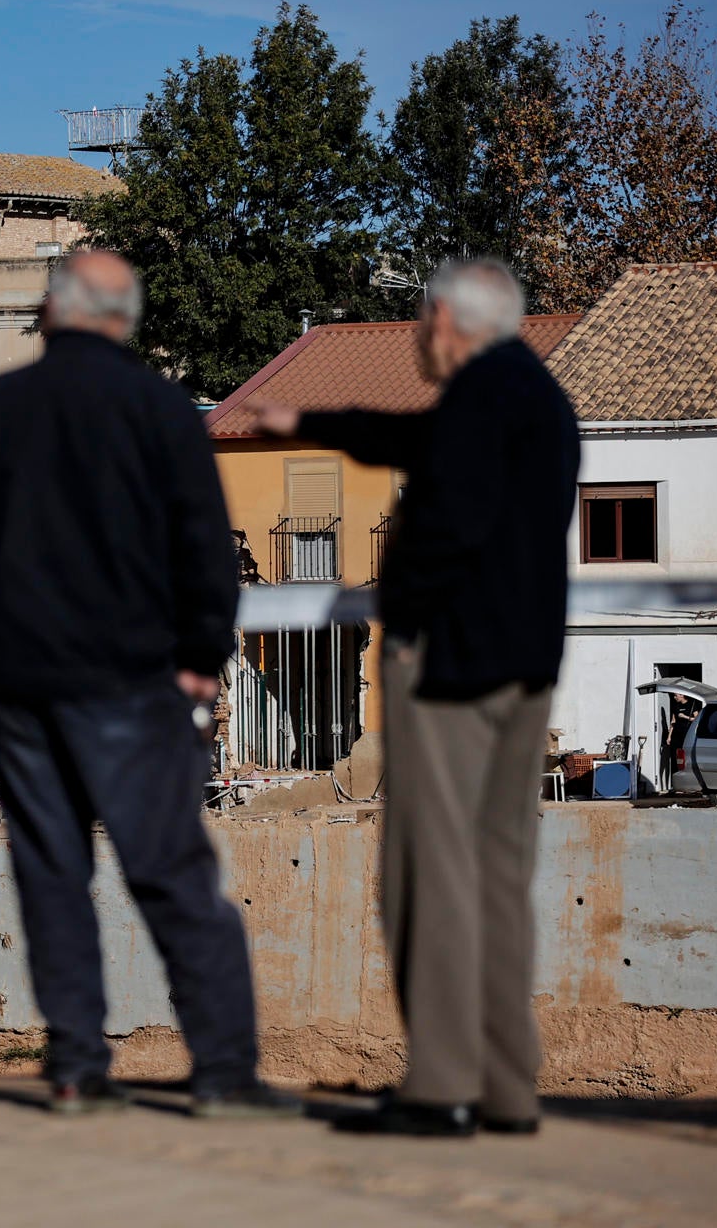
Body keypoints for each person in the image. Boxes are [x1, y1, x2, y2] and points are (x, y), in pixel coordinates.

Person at [0, 252, 294, 1119]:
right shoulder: (159, 409)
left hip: (23, 687)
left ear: (52, 312)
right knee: (170, 875)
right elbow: (206, 549)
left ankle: (80, 1066)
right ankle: (224, 1074)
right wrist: (201, 655)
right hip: (136, 684)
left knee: (52, 875)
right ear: (125, 319)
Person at [254, 259, 579, 1137]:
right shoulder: (535, 394)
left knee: (427, 878)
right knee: (498, 879)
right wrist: (308, 419)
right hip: (523, 668)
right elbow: (416, 441)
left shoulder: (480, 396)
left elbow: (453, 513)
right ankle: (508, 1088)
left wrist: (401, 620)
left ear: (444, 322)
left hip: (453, 664)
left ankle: (440, 1085)